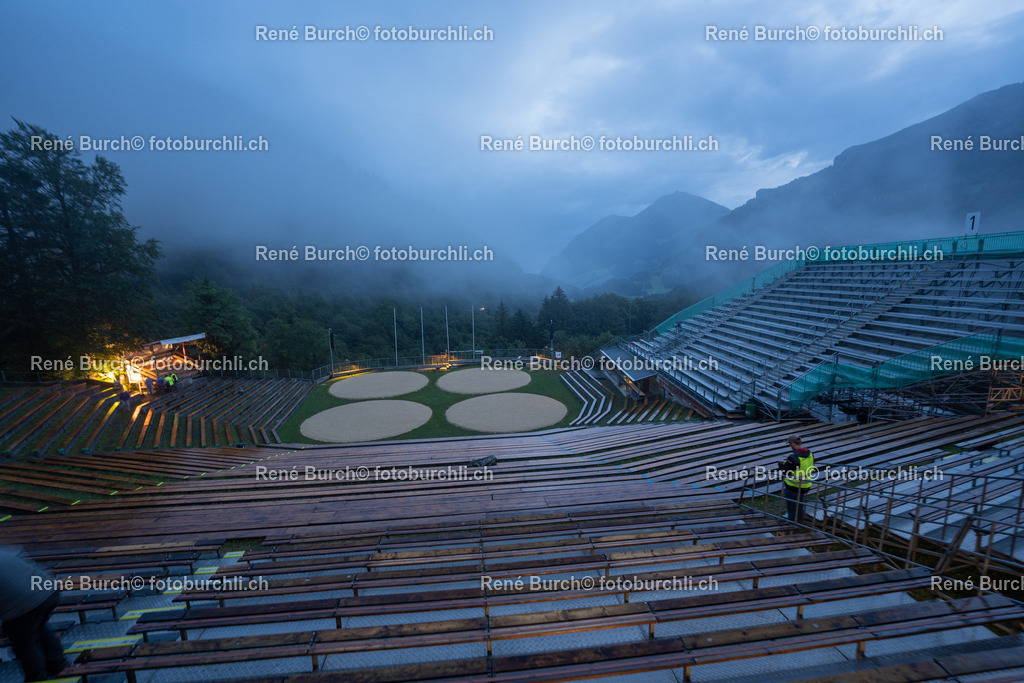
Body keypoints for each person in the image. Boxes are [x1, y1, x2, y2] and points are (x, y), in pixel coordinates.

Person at [0, 547, 69, 682]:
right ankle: (56, 663)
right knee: (37, 626)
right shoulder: (4, 553)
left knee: (24, 644)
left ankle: (36, 678)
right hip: (47, 591)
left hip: (24, 602)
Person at [779, 435, 815, 526]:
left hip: (793, 487)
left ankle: (792, 529)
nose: (790, 446)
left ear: (793, 444)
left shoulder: (793, 457)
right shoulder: (810, 454)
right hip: (805, 485)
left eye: (790, 444)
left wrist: (781, 465)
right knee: (799, 507)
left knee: (792, 509)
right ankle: (799, 524)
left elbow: (787, 472)